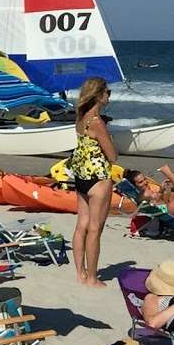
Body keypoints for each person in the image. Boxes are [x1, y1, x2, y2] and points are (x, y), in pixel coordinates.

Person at [70, 76, 117, 288]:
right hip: (98, 179)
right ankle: (92, 278)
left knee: (82, 225)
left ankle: (80, 273)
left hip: (81, 176)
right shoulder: (97, 122)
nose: (109, 95)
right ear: (99, 95)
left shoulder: (81, 117)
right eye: (108, 92)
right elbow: (112, 155)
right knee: (95, 229)